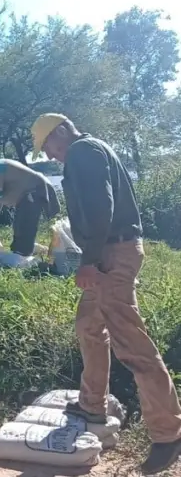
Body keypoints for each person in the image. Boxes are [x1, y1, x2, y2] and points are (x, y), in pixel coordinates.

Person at [32, 113, 181, 474]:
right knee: (88, 324)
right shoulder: (91, 149)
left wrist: (90, 261)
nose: (51, 155)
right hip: (111, 251)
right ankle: (92, 404)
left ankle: (169, 432)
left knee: (130, 342)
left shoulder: (83, 151)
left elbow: (101, 208)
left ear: (62, 131)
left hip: (111, 254)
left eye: (50, 145)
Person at [0, 159, 60, 256]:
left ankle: (22, 257)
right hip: (30, 192)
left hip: (32, 192)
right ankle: (19, 252)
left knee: (25, 226)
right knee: (18, 226)